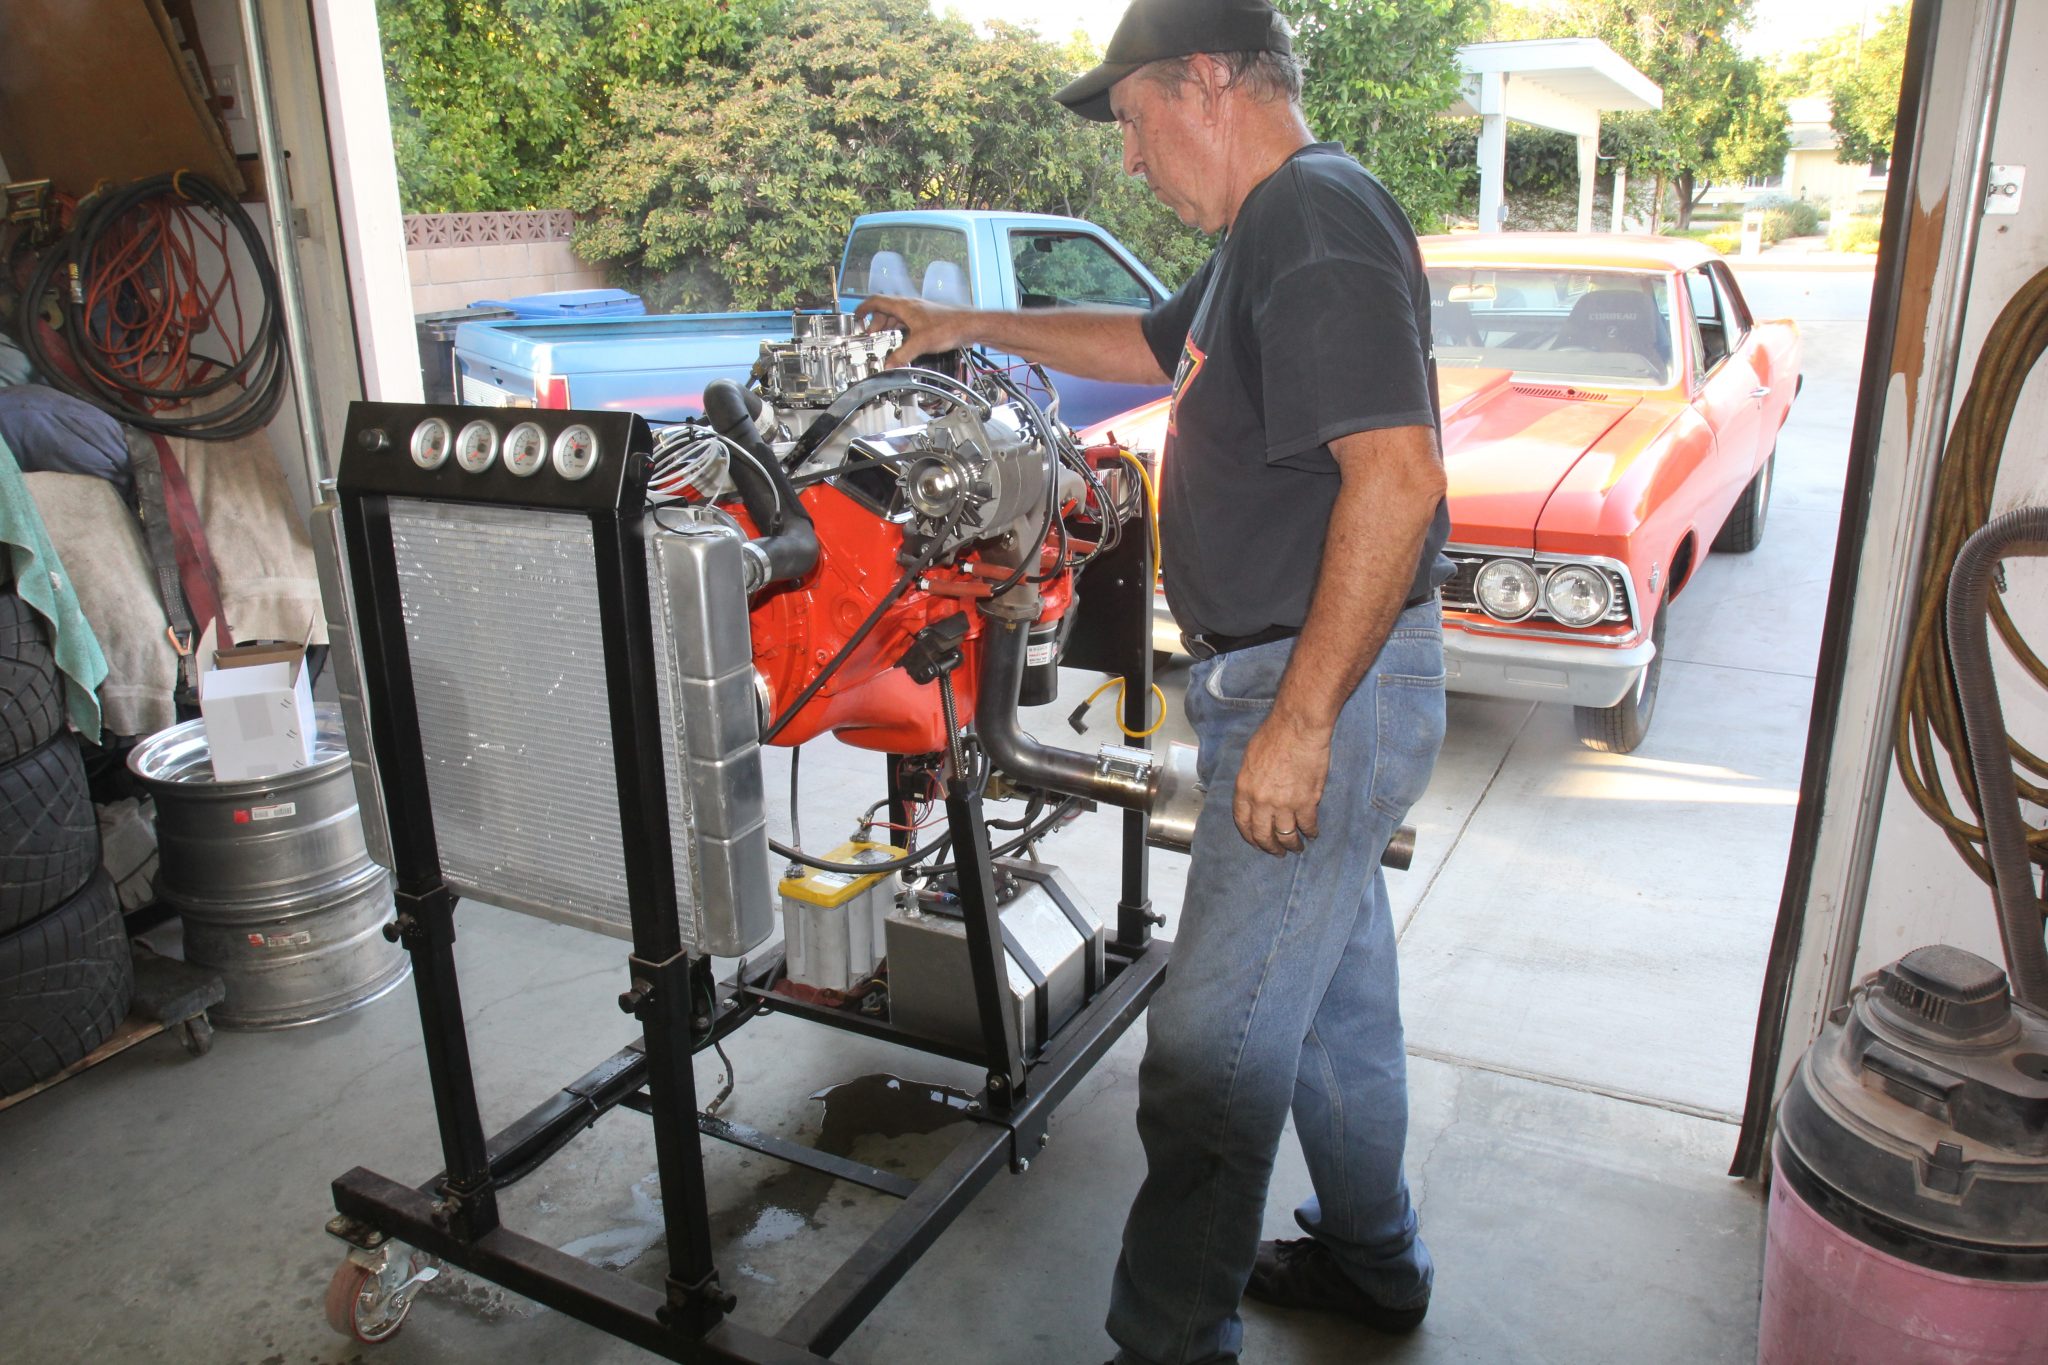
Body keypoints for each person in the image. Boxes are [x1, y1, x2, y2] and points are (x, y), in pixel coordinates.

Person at [856, 2, 1451, 1360]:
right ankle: (1374, 1261)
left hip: (1323, 687)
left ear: (1207, 81)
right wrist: (960, 322)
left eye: (1131, 121)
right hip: (1312, 680)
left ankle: (1170, 1339)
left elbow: (1400, 478)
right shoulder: (1268, 233)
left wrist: (1301, 723)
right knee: (1334, 1006)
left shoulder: (1313, 218)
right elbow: (1142, 341)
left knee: (1208, 1056)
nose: (1127, 159)